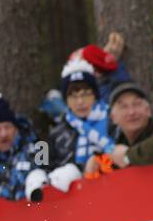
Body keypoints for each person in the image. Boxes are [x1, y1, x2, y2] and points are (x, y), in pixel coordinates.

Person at [46, 60, 114, 188]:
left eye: (85, 94)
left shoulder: (112, 120)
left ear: (95, 95)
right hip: (72, 198)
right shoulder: (56, 131)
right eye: (73, 96)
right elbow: (43, 164)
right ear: (66, 100)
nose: (80, 102)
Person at [107, 82, 153, 167]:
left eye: (137, 104)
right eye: (123, 107)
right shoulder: (117, 143)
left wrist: (128, 157)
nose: (131, 112)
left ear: (148, 110)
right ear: (113, 117)